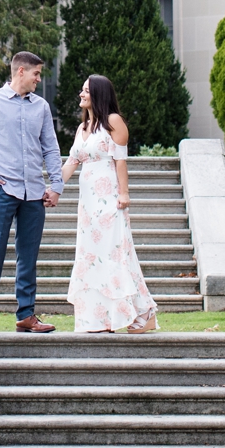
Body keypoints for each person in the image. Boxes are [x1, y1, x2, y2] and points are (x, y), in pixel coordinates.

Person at [0, 51, 62, 336]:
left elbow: (51, 149)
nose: (39, 79)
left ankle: (26, 315)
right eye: (36, 74)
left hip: (33, 193)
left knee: (28, 256)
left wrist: (55, 186)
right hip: (2, 191)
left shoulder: (41, 107)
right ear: (21, 71)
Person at [61, 74, 158, 333]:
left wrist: (124, 193)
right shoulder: (83, 129)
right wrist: (53, 189)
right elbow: (71, 162)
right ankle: (100, 319)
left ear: (98, 94)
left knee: (114, 255)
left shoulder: (113, 122)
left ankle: (144, 312)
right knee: (91, 257)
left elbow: (120, 161)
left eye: (86, 91)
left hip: (110, 200)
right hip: (88, 205)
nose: (81, 95)